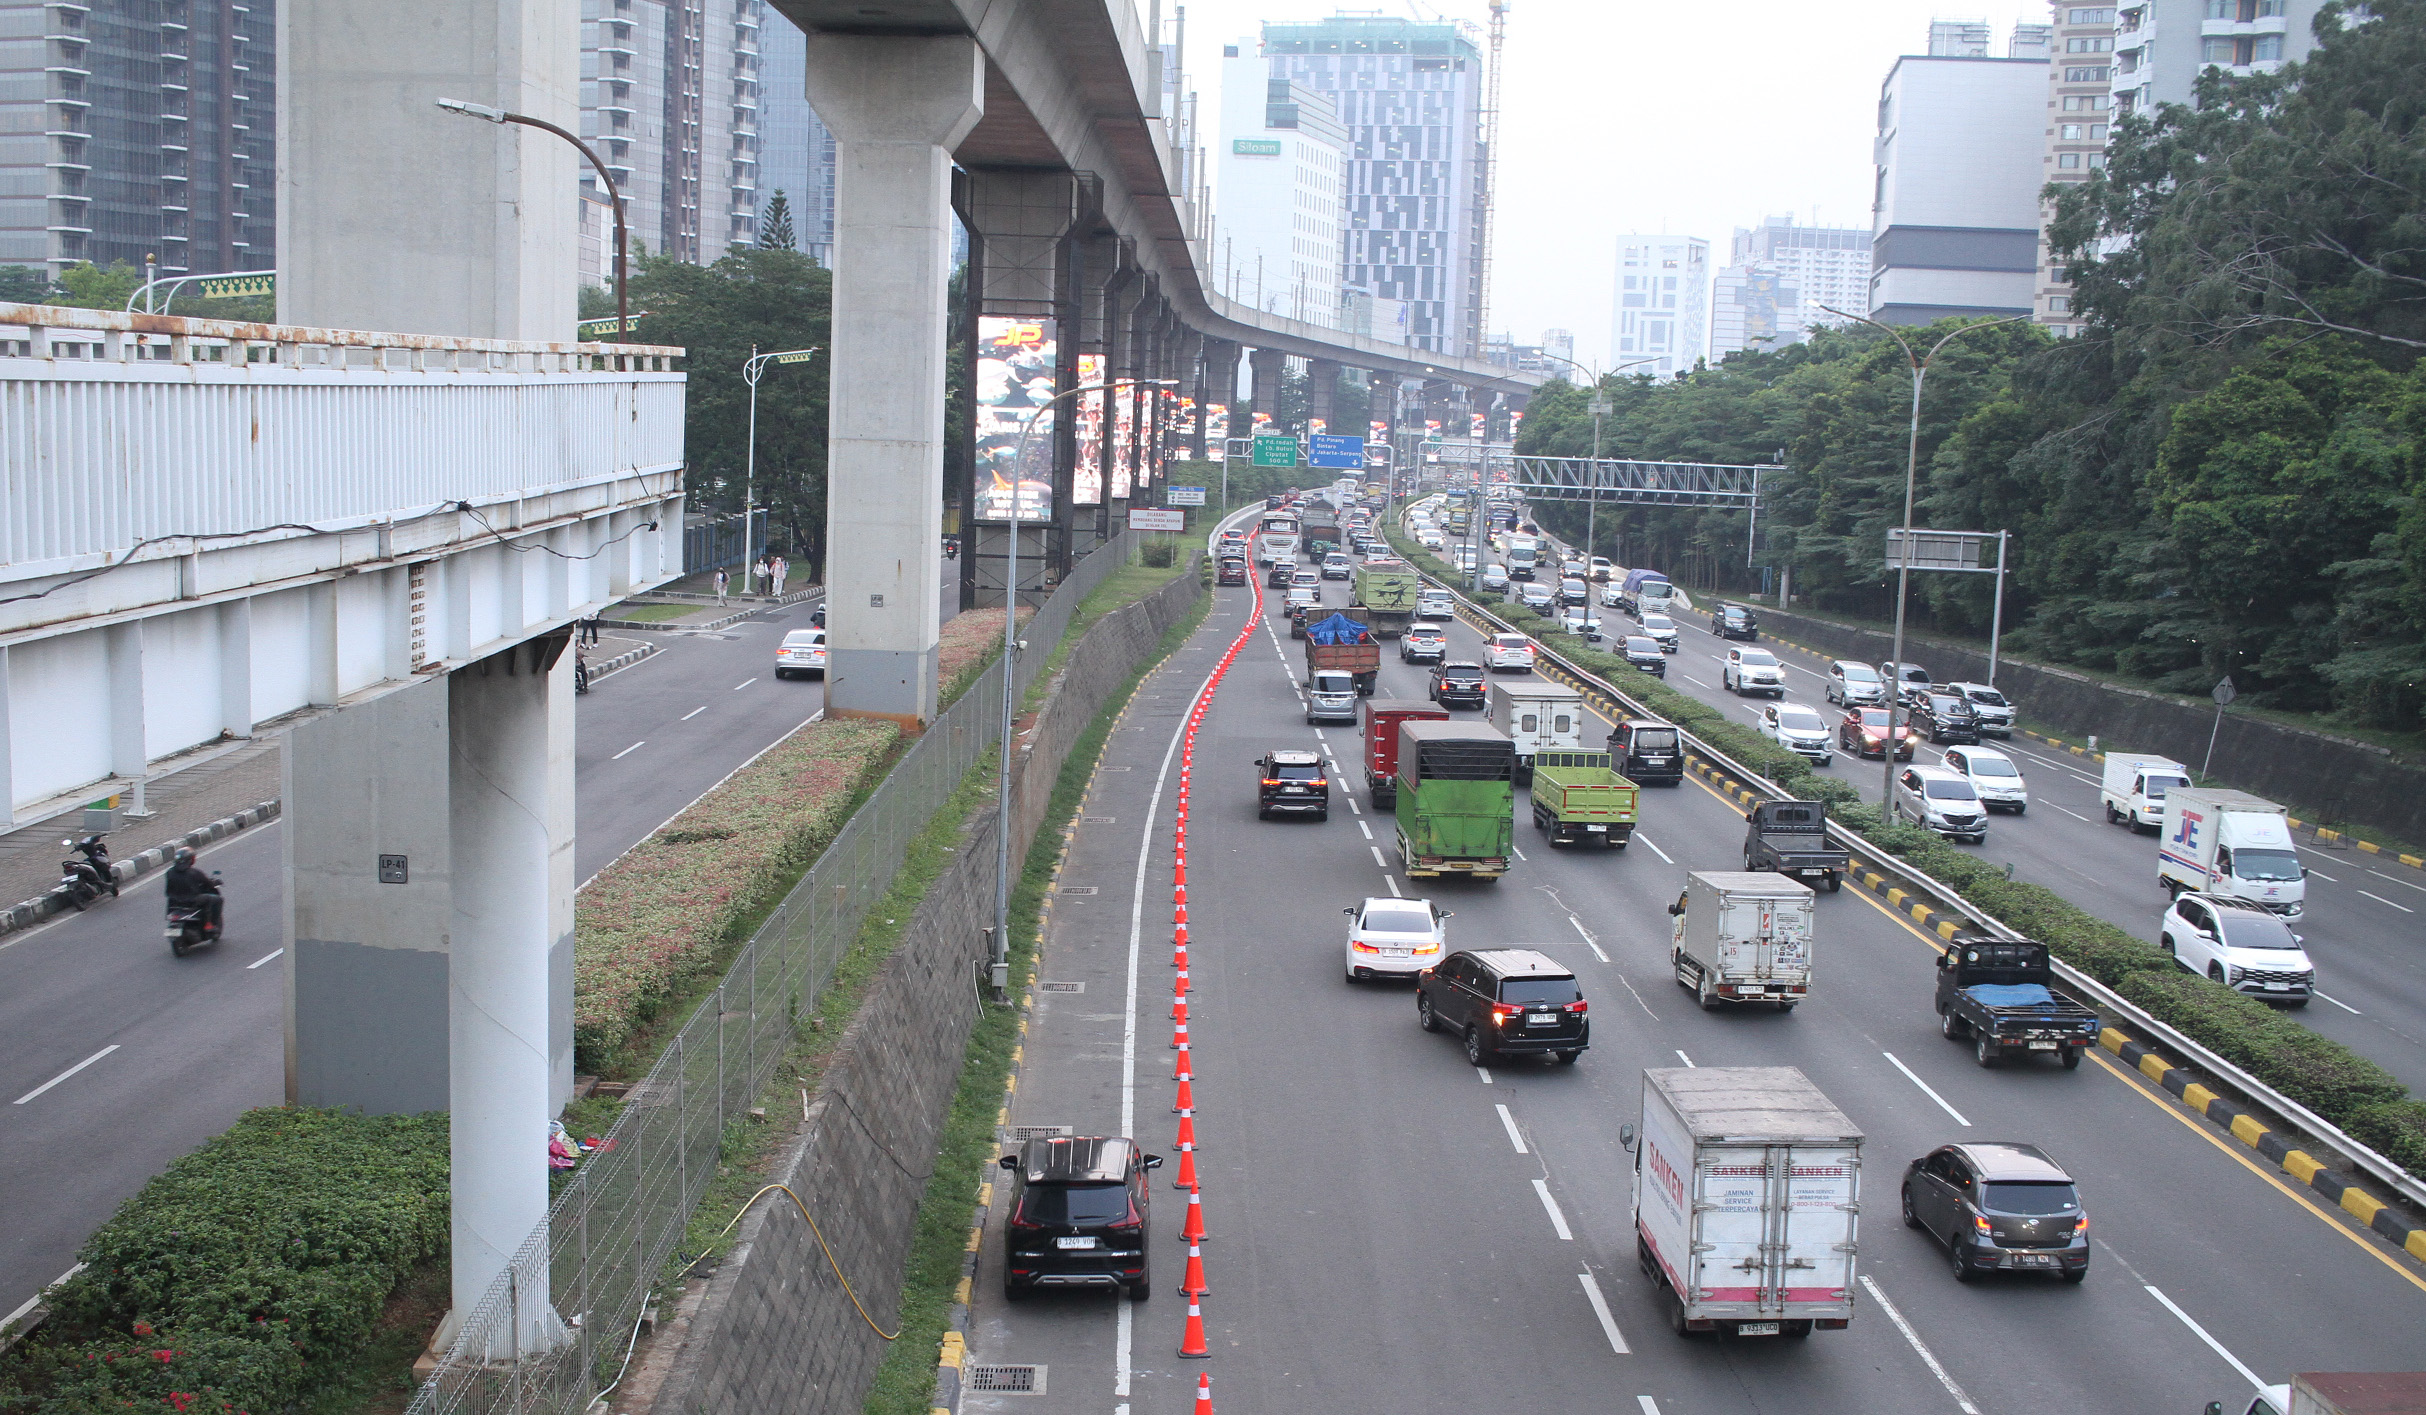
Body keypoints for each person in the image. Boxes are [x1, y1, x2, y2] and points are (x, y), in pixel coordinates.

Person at [164, 846, 222, 936]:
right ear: (190, 860)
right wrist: (215, 882)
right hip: (192, 901)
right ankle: (208, 924)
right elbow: (208, 883)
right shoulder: (194, 872)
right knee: (217, 899)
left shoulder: (169, 872)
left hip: (174, 902)